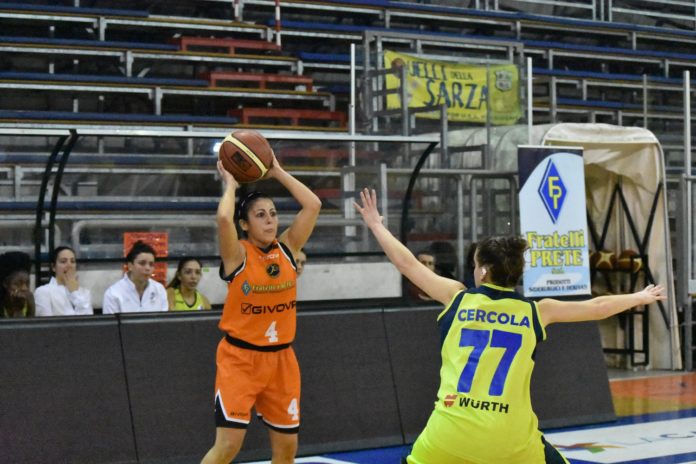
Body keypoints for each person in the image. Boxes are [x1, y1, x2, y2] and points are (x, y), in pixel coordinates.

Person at [353, 188, 666, 464]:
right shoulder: (536, 311)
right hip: (510, 439)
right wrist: (639, 296)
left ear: (483, 271)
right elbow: (597, 307)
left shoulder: (457, 298)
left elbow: (407, 263)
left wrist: (377, 224)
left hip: (451, 431)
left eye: (475, 264)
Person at [201, 153, 321, 464]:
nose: (269, 220)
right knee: (228, 447)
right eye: (260, 215)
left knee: (287, 449)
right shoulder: (237, 255)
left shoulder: (289, 248)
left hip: (282, 361)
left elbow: (313, 205)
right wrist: (230, 184)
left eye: (273, 214)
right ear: (245, 224)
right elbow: (223, 219)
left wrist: (278, 171)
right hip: (240, 360)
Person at [102, 241, 168, 314]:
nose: (147, 268)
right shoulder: (113, 293)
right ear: (130, 266)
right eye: (142, 263)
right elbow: (110, 321)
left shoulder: (159, 290)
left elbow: (164, 320)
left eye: (151, 264)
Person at [34, 246, 93, 317]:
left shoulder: (85, 293)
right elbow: (46, 322)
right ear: (53, 267)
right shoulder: (43, 292)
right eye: (63, 261)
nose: (69, 265)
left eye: (72, 261)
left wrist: (75, 293)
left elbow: (89, 321)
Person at [0, 251, 34, 318]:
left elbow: (32, 324)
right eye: (18, 284)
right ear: (5, 284)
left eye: (27, 283)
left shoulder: (29, 299)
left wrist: (30, 307)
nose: (25, 288)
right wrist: (17, 310)